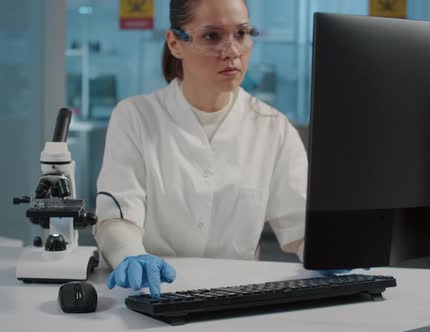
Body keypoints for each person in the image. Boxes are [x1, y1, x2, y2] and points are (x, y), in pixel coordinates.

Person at [94, 0, 309, 298]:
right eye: (212, 36)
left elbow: (301, 224)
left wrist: (331, 252)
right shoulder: (135, 117)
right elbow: (117, 217)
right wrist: (130, 254)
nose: (232, 51)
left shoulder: (274, 128)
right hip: (152, 294)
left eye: (242, 33)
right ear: (175, 43)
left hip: (237, 299)